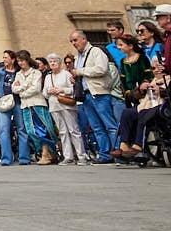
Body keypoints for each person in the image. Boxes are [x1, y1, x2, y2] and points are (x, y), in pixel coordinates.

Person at [69, 29, 118, 165]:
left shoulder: (96, 51)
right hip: (86, 94)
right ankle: (105, 154)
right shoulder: (77, 56)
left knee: (110, 125)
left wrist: (80, 71)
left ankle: (118, 152)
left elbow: (102, 69)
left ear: (84, 39)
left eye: (75, 40)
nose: (74, 43)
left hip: (99, 93)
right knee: (96, 127)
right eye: (72, 41)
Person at [12, 50, 55, 165]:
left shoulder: (36, 73)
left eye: (22, 60)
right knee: (31, 131)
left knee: (41, 129)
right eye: (18, 61)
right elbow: (14, 89)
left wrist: (21, 89)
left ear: (27, 60)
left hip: (37, 104)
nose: (21, 63)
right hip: (25, 105)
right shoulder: (18, 74)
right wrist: (26, 86)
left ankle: (46, 153)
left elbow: (36, 88)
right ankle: (45, 152)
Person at [43, 53, 86, 164]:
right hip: (54, 106)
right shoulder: (48, 76)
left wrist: (61, 90)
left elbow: (73, 89)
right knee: (62, 132)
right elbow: (44, 93)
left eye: (55, 61)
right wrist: (49, 91)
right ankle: (68, 157)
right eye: (50, 62)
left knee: (73, 130)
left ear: (59, 63)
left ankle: (81, 155)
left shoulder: (66, 74)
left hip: (67, 105)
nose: (52, 63)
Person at [0, 49, 28, 166]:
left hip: (17, 101)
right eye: (3, 57)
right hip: (4, 102)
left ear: (13, 59)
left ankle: (24, 158)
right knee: (3, 130)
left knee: (21, 129)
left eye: (6, 57)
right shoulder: (0, 71)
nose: (4, 60)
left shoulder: (19, 72)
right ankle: (6, 158)